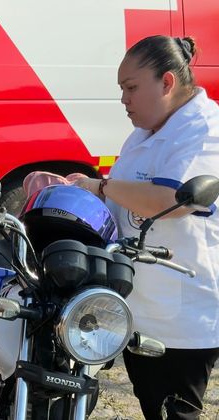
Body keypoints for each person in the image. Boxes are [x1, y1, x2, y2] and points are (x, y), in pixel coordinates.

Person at [74, 35, 219, 420]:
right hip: (138, 309)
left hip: (182, 316)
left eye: (131, 88)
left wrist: (100, 185)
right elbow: (122, 199)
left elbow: (171, 201)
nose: (124, 99)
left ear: (167, 82)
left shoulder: (205, 129)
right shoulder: (143, 133)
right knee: (152, 406)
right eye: (122, 89)